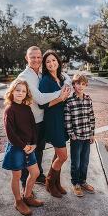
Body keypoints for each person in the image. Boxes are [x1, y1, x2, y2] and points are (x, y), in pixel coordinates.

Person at [16, 46, 71, 190]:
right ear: (26, 58)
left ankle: (39, 175)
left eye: (39, 57)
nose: (36, 60)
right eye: (32, 57)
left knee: (39, 151)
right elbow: (40, 99)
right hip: (28, 123)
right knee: (27, 155)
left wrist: (64, 89)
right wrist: (61, 94)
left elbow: (65, 77)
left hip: (41, 120)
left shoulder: (39, 74)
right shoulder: (24, 77)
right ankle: (25, 189)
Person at [1, 79, 44, 216]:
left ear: (27, 94)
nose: (20, 93)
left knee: (35, 173)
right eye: (17, 90)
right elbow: (10, 133)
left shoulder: (27, 108)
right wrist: (23, 146)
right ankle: (18, 201)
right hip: (16, 148)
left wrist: (34, 143)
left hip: (29, 147)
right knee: (17, 175)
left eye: (23, 91)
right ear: (12, 91)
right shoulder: (10, 110)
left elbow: (33, 127)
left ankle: (27, 196)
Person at [38, 50, 72, 198]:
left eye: (53, 60)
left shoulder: (60, 78)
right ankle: (50, 183)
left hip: (62, 119)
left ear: (58, 61)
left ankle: (56, 183)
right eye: (48, 62)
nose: (51, 63)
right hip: (53, 121)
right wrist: (60, 98)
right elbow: (42, 105)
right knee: (63, 156)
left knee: (58, 154)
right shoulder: (45, 80)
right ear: (45, 65)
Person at [64, 74, 97, 197]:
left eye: (83, 84)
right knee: (76, 162)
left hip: (87, 136)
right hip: (76, 138)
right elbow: (67, 120)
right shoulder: (69, 101)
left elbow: (91, 117)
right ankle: (75, 183)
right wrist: (72, 134)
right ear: (73, 85)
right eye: (78, 84)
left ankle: (83, 181)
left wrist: (92, 133)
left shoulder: (88, 99)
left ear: (86, 85)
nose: (81, 86)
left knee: (85, 161)